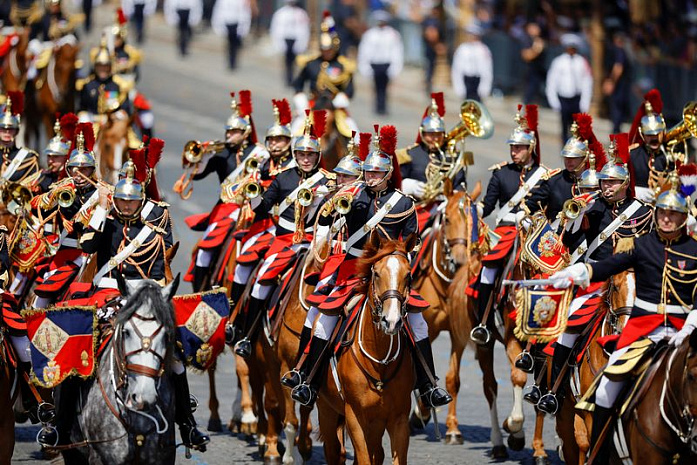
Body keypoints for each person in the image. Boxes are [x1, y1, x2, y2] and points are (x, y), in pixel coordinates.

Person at [287, 127, 452, 409]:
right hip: (352, 268)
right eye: (368, 172)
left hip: (388, 274)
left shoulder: (403, 203)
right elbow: (326, 219)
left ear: (388, 175)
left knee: (418, 322)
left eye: (376, 173)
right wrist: (330, 208)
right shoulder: (354, 195)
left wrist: (396, 264)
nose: (370, 177)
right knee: (322, 316)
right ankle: (307, 378)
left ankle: (428, 385)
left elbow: (412, 240)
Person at [548, 173, 697, 464]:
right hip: (642, 330)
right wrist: (579, 273)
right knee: (604, 390)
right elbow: (610, 265)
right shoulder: (643, 245)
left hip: (684, 330)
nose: (667, 219)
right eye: (663, 213)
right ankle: (600, 456)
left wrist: (691, 324)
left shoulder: (694, 251)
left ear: (683, 218)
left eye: (673, 214)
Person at [534, 134, 653, 416]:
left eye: (612, 182)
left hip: (628, 281)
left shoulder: (643, 212)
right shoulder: (594, 205)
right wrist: (577, 213)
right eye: (603, 181)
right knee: (569, 326)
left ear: (625, 184)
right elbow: (572, 237)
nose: (606, 186)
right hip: (594, 281)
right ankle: (554, 390)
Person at [231, 110, 334, 359]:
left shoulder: (327, 181)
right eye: (301, 154)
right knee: (262, 280)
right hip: (284, 241)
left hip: (313, 242)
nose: (306, 159)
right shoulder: (283, 178)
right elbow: (263, 208)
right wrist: (253, 192)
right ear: (295, 155)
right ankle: (247, 333)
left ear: (317, 156)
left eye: (310, 155)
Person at [471, 105, 547, 346]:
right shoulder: (501, 173)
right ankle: (483, 323)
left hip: (532, 235)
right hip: (505, 232)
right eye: (512, 147)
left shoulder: (544, 175)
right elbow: (489, 205)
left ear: (531, 148)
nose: (514, 152)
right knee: (488, 271)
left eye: (519, 148)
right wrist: (474, 211)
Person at [185, 90, 268, 292]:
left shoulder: (260, 153)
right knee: (204, 252)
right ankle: (198, 292)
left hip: (250, 210)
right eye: (228, 132)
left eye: (234, 132)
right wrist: (203, 155)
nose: (229, 135)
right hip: (224, 210)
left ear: (246, 133)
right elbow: (197, 175)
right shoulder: (222, 153)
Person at [292, 10, 355, 116]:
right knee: (297, 128)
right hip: (313, 105)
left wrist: (341, 99)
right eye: (324, 50)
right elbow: (299, 84)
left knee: (351, 129)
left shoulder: (343, 65)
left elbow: (350, 88)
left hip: (335, 107)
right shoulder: (311, 63)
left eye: (329, 50)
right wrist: (301, 100)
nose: (326, 53)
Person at [546, 33, 593, 143]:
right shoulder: (559, 61)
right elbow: (552, 81)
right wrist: (553, 100)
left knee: (577, 127)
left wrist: (585, 101)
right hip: (563, 97)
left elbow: (587, 81)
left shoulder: (581, 61)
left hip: (576, 98)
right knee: (564, 125)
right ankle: (565, 145)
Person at [627, 89, 672, 204]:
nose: (654, 138)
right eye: (650, 134)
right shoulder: (632, 154)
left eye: (657, 133)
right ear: (642, 134)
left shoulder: (669, 155)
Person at [357, 9, 403, 115]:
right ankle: (377, 106)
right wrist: (364, 66)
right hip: (375, 64)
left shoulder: (392, 34)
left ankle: (383, 106)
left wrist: (396, 66)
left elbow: (397, 51)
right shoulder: (370, 34)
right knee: (376, 86)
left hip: (386, 64)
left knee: (385, 87)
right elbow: (364, 50)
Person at [77, 42, 133, 121]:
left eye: (105, 66)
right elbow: (81, 109)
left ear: (110, 67)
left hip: (113, 124)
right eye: (100, 66)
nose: (102, 69)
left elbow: (126, 110)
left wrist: (115, 116)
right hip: (92, 123)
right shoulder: (87, 85)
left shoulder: (120, 85)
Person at [0, 91, 40, 185]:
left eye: (11, 129)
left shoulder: (27, 158)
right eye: (3, 128)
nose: (7, 132)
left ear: (17, 131)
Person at [269, 0, 310, 87]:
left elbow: (304, 29)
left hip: (296, 39)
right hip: (285, 39)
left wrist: (302, 43)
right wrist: (278, 42)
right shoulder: (281, 13)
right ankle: (288, 79)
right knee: (287, 62)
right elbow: (276, 28)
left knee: (296, 62)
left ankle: (295, 79)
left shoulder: (301, 13)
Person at [451, 23, 492, 102]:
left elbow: (487, 70)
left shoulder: (483, 49)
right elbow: (457, 69)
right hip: (466, 79)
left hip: (477, 80)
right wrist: (459, 87)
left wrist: (484, 87)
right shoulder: (462, 48)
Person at [603, 32, 631, 133]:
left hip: (619, 87)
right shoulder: (619, 51)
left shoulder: (619, 51)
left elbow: (618, 68)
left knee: (617, 112)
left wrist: (611, 82)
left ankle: (616, 136)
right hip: (620, 87)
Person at [211, 0, 251, 70]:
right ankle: (230, 61)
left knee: (235, 44)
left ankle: (233, 62)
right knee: (229, 44)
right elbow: (218, 11)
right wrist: (218, 25)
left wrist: (244, 27)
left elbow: (245, 12)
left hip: (237, 24)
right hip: (227, 23)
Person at [520, 22, 546, 105]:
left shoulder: (539, 40)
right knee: (528, 95)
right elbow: (526, 56)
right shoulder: (526, 39)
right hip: (529, 71)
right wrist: (536, 50)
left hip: (539, 71)